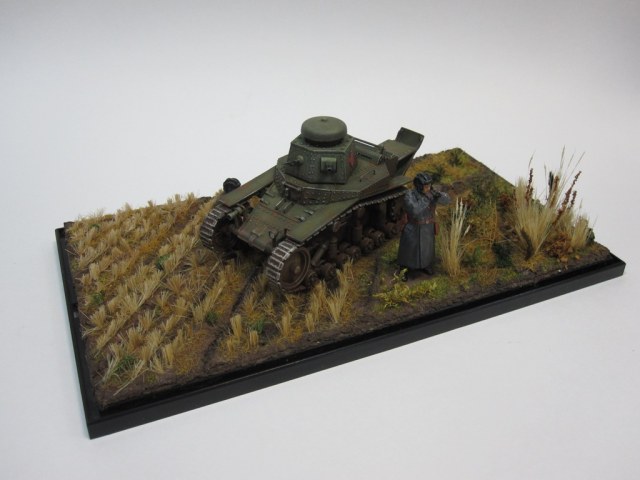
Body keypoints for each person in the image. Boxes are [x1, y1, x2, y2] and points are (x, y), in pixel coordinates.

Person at [397, 172, 451, 279]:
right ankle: (404, 270)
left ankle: (425, 265)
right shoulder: (409, 195)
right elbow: (414, 210)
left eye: (429, 185)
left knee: (427, 249)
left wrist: (440, 195)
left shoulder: (431, 192)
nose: (428, 187)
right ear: (419, 186)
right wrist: (427, 198)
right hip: (413, 227)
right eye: (426, 186)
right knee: (409, 250)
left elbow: (447, 201)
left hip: (428, 226)